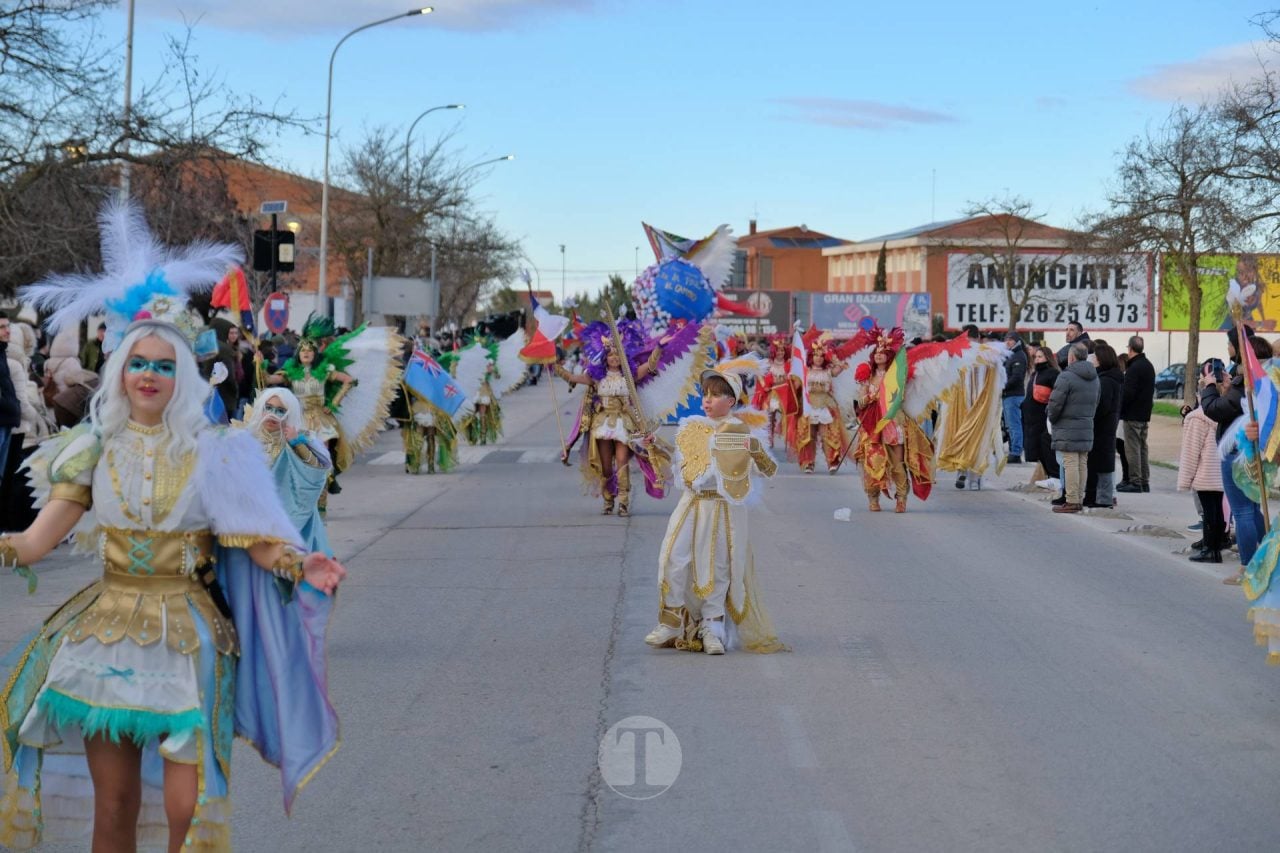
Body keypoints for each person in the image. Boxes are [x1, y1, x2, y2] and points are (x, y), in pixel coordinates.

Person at [1, 200, 346, 850]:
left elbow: (255, 538)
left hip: (187, 638)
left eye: (165, 364)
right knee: (117, 805)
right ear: (120, 370)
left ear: (182, 373)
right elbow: (35, 540)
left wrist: (305, 564)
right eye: (139, 362)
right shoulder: (90, 449)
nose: (151, 374)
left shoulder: (215, 452)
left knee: (187, 807)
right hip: (104, 636)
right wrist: (6, 547)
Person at [643, 360, 785, 655]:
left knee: (718, 567)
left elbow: (768, 469)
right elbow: (681, 463)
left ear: (731, 401)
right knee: (673, 559)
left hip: (724, 510)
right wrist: (654, 445)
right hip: (691, 505)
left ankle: (712, 626)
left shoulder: (743, 432)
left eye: (716, 394)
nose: (707, 400)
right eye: (705, 393)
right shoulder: (692, 427)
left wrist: (752, 451)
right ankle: (671, 621)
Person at [555, 321, 664, 516]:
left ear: (622, 357)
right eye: (611, 355)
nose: (614, 358)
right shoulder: (596, 376)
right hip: (602, 423)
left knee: (622, 460)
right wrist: (552, 364)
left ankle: (623, 501)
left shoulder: (630, 375)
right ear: (606, 358)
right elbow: (572, 378)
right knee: (606, 467)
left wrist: (659, 348)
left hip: (624, 424)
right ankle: (608, 500)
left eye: (617, 354)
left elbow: (650, 365)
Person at [1203, 330, 1272, 584]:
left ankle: (1247, 568)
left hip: (1237, 450)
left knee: (1242, 510)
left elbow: (1216, 410)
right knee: (1253, 507)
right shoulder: (1267, 382)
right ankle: (1270, 556)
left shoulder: (1246, 383)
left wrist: (1209, 388)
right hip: (1257, 450)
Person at [243, 386, 333, 556]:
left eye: (280, 410)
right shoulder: (246, 438)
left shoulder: (299, 438)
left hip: (290, 514)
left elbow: (315, 471)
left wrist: (296, 443)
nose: (272, 414)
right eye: (268, 408)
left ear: (289, 414)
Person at [1047, 342, 1099, 513]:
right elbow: (1096, 402)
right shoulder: (1095, 376)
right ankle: (1078, 498)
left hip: (1067, 425)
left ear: (1071, 357)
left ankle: (1071, 500)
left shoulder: (1066, 376)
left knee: (1070, 463)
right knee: (1082, 462)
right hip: (1086, 424)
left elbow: (1055, 403)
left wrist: (1052, 418)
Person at [1177, 381, 1225, 563]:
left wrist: (1185, 479)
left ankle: (1210, 549)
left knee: (1208, 512)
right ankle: (1217, 547)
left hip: (1205, 472)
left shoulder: (1196, 417)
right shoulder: (1224, 412)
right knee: (1218, 509)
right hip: (1220, 471)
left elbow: (1191, 451)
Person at [796, 337, 850, 473]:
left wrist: (831, 356)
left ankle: (832, 461)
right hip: (809, 405)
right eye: (815, 355)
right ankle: (809, 463)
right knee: (809, 436)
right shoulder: (805, 370)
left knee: (827, 435)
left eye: (821, 356)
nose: (818, 358)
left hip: (825, 405)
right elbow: (795, 385)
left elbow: (841, 366)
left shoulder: (829, 371)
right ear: (811, 357)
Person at [1084, 343, 1123, 508]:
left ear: (1101, 360)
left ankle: (1101, 499)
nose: (1091, 359)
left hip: (1101, 428)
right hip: (1105, 427)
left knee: (1100, 462)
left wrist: (1088, 417)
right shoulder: (1112, 377)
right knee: (1098, 461)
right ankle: (1093, 497)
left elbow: (1101, 406)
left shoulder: (1106, 380)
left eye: (1094, 357)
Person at [1117, 335, 1155, 493]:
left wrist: (1119, 408)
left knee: (1132, 448)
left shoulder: (1133, 368)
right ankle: (1144, 481)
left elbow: (1128, 393)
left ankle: (1135, 481)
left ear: (1130, 348)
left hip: (1132, 414)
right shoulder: (1148, 366)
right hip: (1144, 413)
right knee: (1142, 447)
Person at [750, 334, 799, 450]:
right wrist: (764, 385)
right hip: (772, 394)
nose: (780, 353)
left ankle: (789, 439)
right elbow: (759, 374)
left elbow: (795, 377)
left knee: (789, 417)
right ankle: (768, 438)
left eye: (782, 350)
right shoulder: (768, 363)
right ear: (774, 352)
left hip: (785, 394)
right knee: (769, 417)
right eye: (778, 350)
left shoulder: (789, 363)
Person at [1024, 345, 1061, 487]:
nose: (1037, 359)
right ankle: (1050, 475)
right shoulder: (1035, 374)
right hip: (1032, 418)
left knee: (1045, 446)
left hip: (1044, 416)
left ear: (1048, 357)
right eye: (1036, 357)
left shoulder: (1052, 374)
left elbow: (1056, 394)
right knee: (1037, 448)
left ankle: (1055, 476)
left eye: (1040, 357)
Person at [0, 313, 21, 493]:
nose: (7, 331)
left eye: (8, 326)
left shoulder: (2, 352)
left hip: (6, 419)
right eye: (2, 327)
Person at [1002, 331, 1028, 463]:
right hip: (1009, 396)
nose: (1008, 341)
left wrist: (1002, 386)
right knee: (1010, 426)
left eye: (1011, 339)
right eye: (1006, 339)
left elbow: (1016, 378)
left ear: (1017, 341)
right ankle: (1014, 450)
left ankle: (1016, 452)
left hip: (1013, 396)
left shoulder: (1018, 356)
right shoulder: (1011, 355)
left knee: (1014, 425)